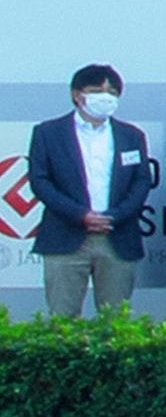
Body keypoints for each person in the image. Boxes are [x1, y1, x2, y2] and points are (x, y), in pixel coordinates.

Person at [27, 64, 152, 317]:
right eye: (97, 90)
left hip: (117, 236)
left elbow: (141, 182)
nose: (105, 97)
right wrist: (80, 214)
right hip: (66, 236)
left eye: (112, 92)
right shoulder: (48, 133)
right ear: (77, 95)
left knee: (115, 321)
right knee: (63, 320)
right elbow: (40, 182)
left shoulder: (131, 135)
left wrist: (115, 215)